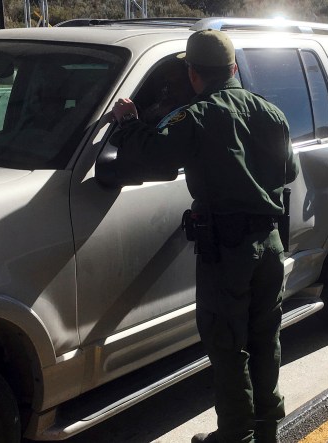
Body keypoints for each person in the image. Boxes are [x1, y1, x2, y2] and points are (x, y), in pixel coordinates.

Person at [109, 30, 299, 443]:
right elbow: (290, 174)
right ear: (232, 69)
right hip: (269, 246)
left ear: (194, 74)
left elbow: (147, 153)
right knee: (265, 339)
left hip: (227, 253)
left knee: (229, 347)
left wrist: (126, 122)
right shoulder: (271, 112)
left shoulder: (195, 116)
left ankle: (234, 436)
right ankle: (266, 430)